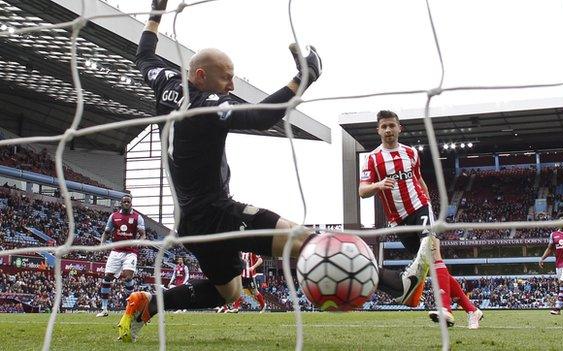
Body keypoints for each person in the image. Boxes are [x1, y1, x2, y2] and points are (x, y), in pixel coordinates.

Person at [117, 0, 322, 342]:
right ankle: (374, 283)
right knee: (302, 239)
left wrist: (156, 14)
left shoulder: (165, 83)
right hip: (217, 213)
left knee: (228, 293)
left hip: (188, 220)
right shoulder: (207, 105)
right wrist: (304, 79)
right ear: (200, 76)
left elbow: (144, 55)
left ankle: (149, 304)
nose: (231, 86)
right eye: (226, 78)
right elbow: (261, 117)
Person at [358, 110, 482, 329]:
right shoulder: (372, 159)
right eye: (384, 126)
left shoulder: (411, 153)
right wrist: (378, 185)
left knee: (433, 254)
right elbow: (362, 191)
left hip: (419, 208)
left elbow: (418, 179)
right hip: (398, 220)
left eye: (391, 125)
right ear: (378, 130)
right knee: (430, 264)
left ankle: (445, 309)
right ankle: (472, 310)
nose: (388, 130)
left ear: (399, 128)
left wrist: (428, 206)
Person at [96, 194, 146, 317]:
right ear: (121, 203)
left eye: (128, 201)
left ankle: (131, 308)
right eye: (124, 201)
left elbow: (143, 234)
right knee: (107, 277)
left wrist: (140, 241)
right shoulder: (114, 216)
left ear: (131, 203)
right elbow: (107, 232)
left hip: (130, 252)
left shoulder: (137, 217)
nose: (126, 203)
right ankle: (104, 309)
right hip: (116, 251)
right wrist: (102, 243)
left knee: (128, 277)